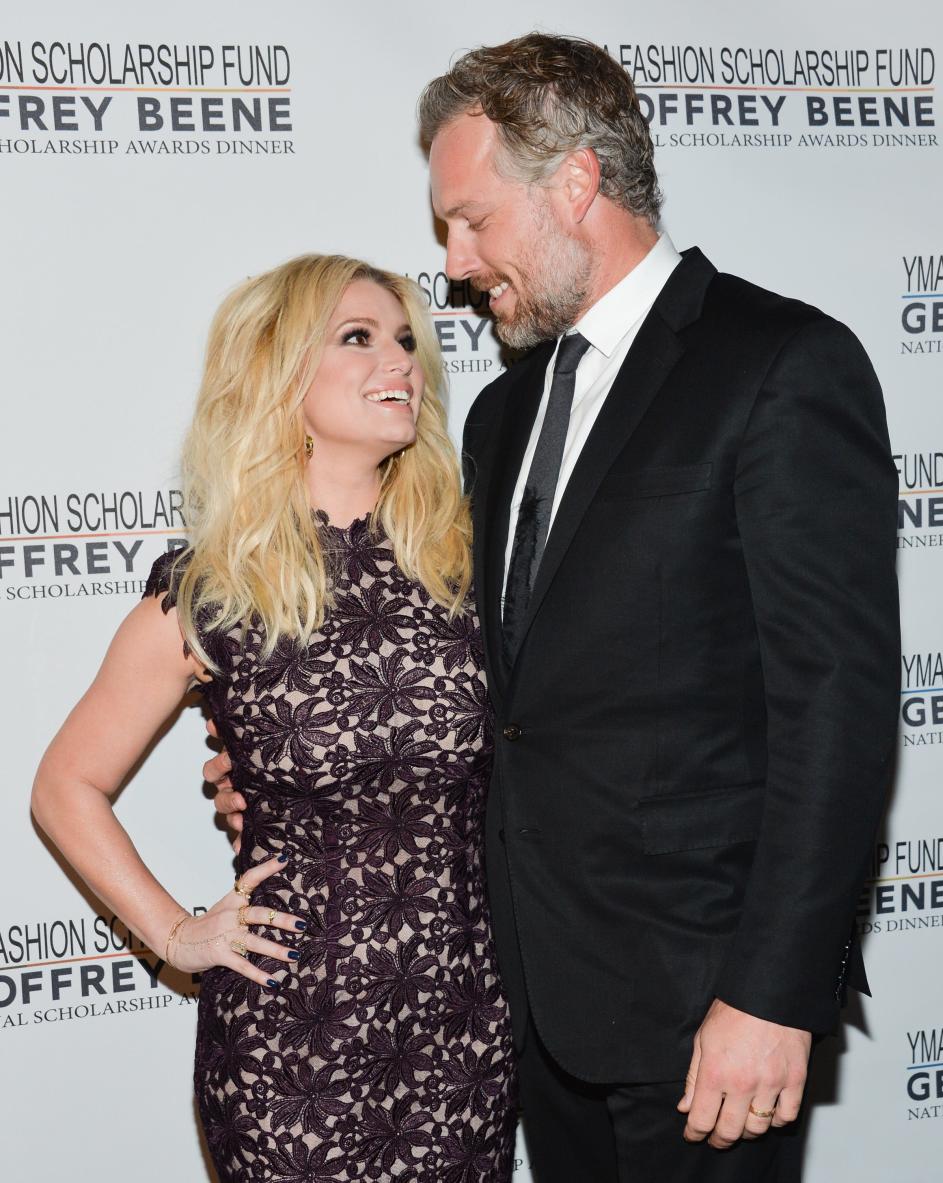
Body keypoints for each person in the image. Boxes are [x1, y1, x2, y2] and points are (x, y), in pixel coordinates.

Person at [208, 34, 901, 1182]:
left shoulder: (779, 363)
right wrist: (281, 759)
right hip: (526, 1004)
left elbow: (837, 711)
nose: (457, 259)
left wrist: (772, 994)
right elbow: (498, 684)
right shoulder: (501, 414)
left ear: (577, 183)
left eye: (472, 219)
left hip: (704, 1009)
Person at [32, 254, 517, 1182]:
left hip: (466, 1034)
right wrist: (176, 935)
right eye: (359, 338)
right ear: (278, 372)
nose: (402, 363)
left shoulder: (474, 563)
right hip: (292, 1046)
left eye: (407, 340)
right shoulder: (213, 592)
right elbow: (65, 785)